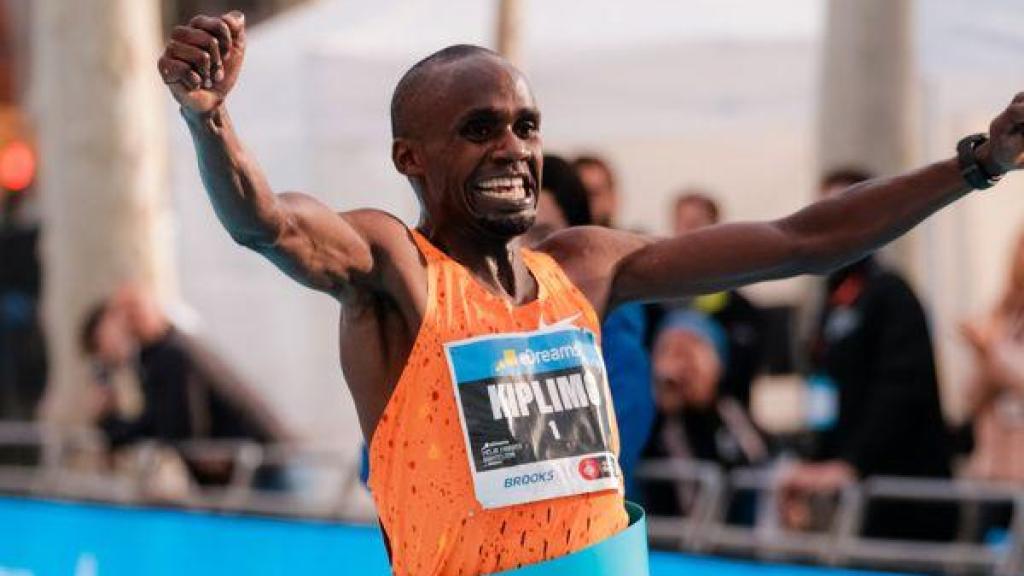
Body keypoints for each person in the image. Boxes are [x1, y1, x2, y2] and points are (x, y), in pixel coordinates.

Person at [159, 11, 1024, 574]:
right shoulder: (399, 269)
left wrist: (977, 162)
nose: (513, 148)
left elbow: (800, 242)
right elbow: (268, 223)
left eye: (526, 126)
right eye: (478, 130)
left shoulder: (585, 266)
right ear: (409, 159)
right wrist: (211, 118)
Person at [779, 168, 956, 541]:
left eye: (845, 209)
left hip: (904, 498)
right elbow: (824, 388)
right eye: (822, 211)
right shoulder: (829, 300)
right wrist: (814, 463)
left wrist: (849, 464)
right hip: (853, 497)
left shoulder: (891, 294)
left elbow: (901, 392)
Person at [526, 154, 655, 501]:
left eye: (543, 236)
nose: (525, 253)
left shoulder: (611, 327)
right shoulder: (466, 320)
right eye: (513, 236)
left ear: (579, 242)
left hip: (589, 538)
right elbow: (385, 463)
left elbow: (614, 456)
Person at [81, 283, 292, 486]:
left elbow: (175, 428)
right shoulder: (158, 355)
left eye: (129, 315)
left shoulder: (173, 354)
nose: (126, 325)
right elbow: (161, 423)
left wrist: (110, 422)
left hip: (267, 465)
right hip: (260, 464)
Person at [648, 190, 766, 409]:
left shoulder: (741, 310)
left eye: (694, 223)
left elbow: (747, 369)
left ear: (716, 229)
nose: (685, 233)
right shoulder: (654, 304)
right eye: (679, 224)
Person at [642, 310, 766, 517]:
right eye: (669, 351)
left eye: (689, 351)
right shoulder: (654, 417)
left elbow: (754, 462)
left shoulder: (730, 413)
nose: (679, 366)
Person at [961, 228, 1024, 482]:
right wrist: (984, 357)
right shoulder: (1004, 312)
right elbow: (971, 399)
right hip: (993, 471)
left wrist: (994, 352)